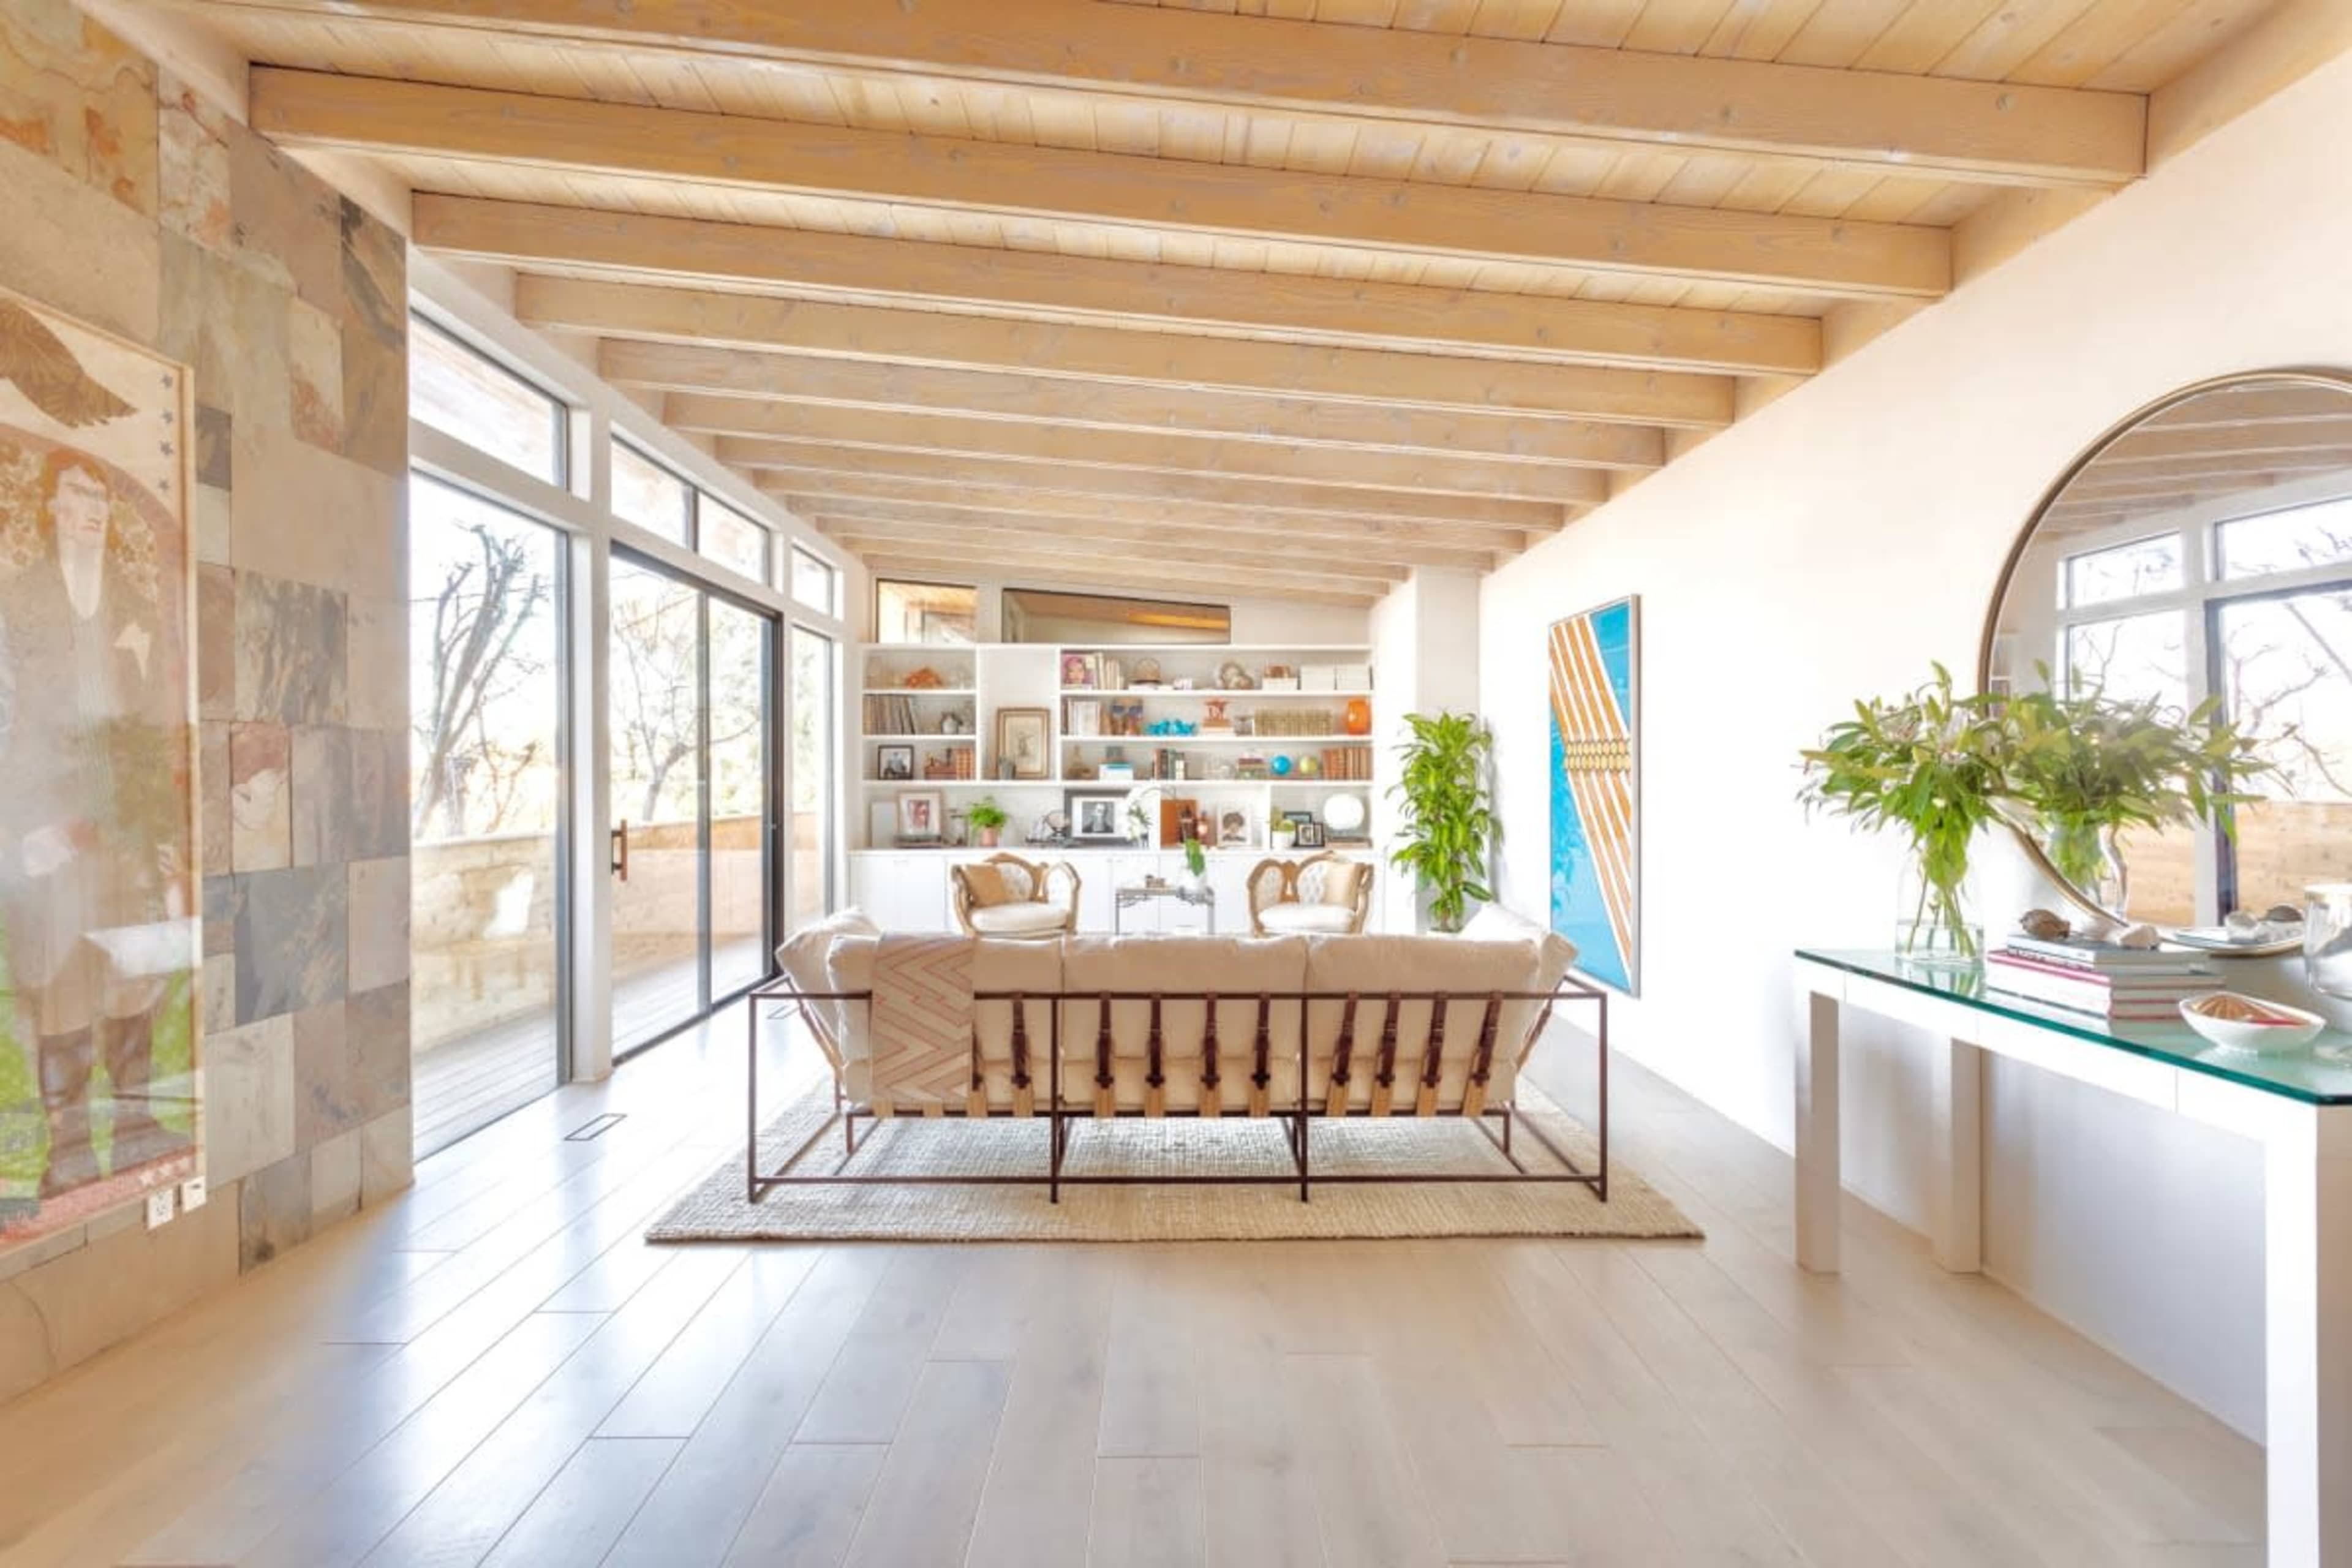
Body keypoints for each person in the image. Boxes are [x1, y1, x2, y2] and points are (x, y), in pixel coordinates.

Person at [0, 442, 190, 1201]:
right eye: (77, 494)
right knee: (62, 979)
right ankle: (71, 1146)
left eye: (101, 499)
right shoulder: (17, 601)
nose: (90, 511)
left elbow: (154, 727)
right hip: (52, 827)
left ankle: (138, 1125)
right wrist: (22, 828)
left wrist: (158, 832)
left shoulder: (134, 607)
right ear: (51, 504)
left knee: (132, 974)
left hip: (124, 825)